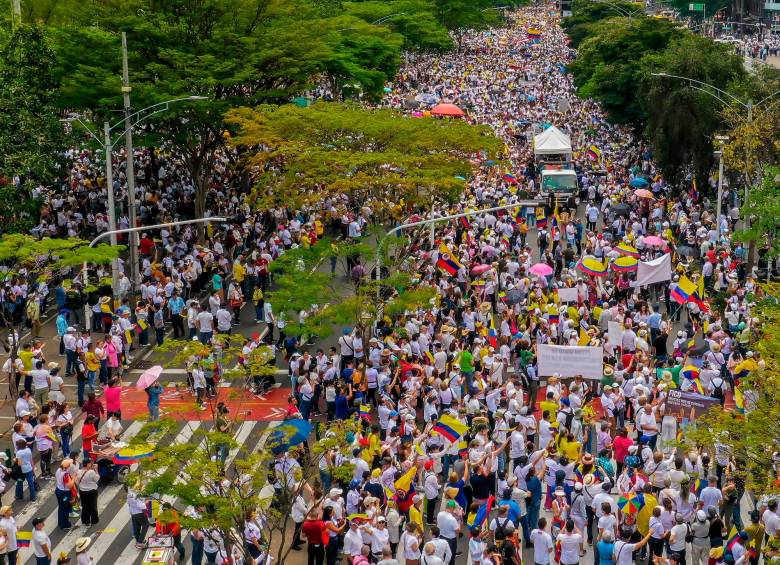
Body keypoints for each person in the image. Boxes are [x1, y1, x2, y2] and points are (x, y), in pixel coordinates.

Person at [77, 459, 100, 526]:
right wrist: (96, 469)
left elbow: (77, 481)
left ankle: (85, 520)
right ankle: (94, 520)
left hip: (82, 491)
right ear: (87, 464)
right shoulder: (91, 472)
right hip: (91, 491)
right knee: (93, 506)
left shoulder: (79, 471)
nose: (91, 464)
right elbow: (96, 479)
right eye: (90, 463)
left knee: (85, 506)